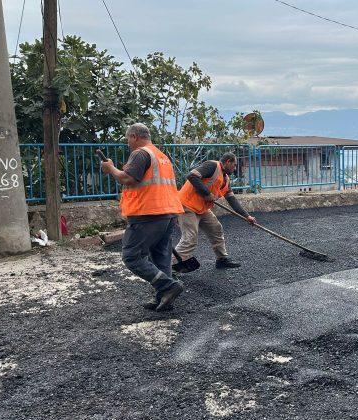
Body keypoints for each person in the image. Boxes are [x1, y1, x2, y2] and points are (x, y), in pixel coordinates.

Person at [100, 123, 185, 312]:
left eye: (128, 139)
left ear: (134, 137)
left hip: (148, 214)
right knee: (160, 256)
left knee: (131, 256)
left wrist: (110, 169)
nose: (128, 143)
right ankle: (163, 297)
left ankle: (168, 286)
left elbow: (128, 178)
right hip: (168, 213)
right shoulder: (162, 156)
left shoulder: (140, 153)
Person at [173, 152, 257, 272]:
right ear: (228, 162)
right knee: (190, 238)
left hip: (202, 209)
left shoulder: (226, 180)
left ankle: (222, 259)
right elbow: (191, 176)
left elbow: (232, 200)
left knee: (216, 229)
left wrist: (247, 216)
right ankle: (170, 267)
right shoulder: (212, 166)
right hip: (187, 207)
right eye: (234, 165)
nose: (235, 168)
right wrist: (206, 194)